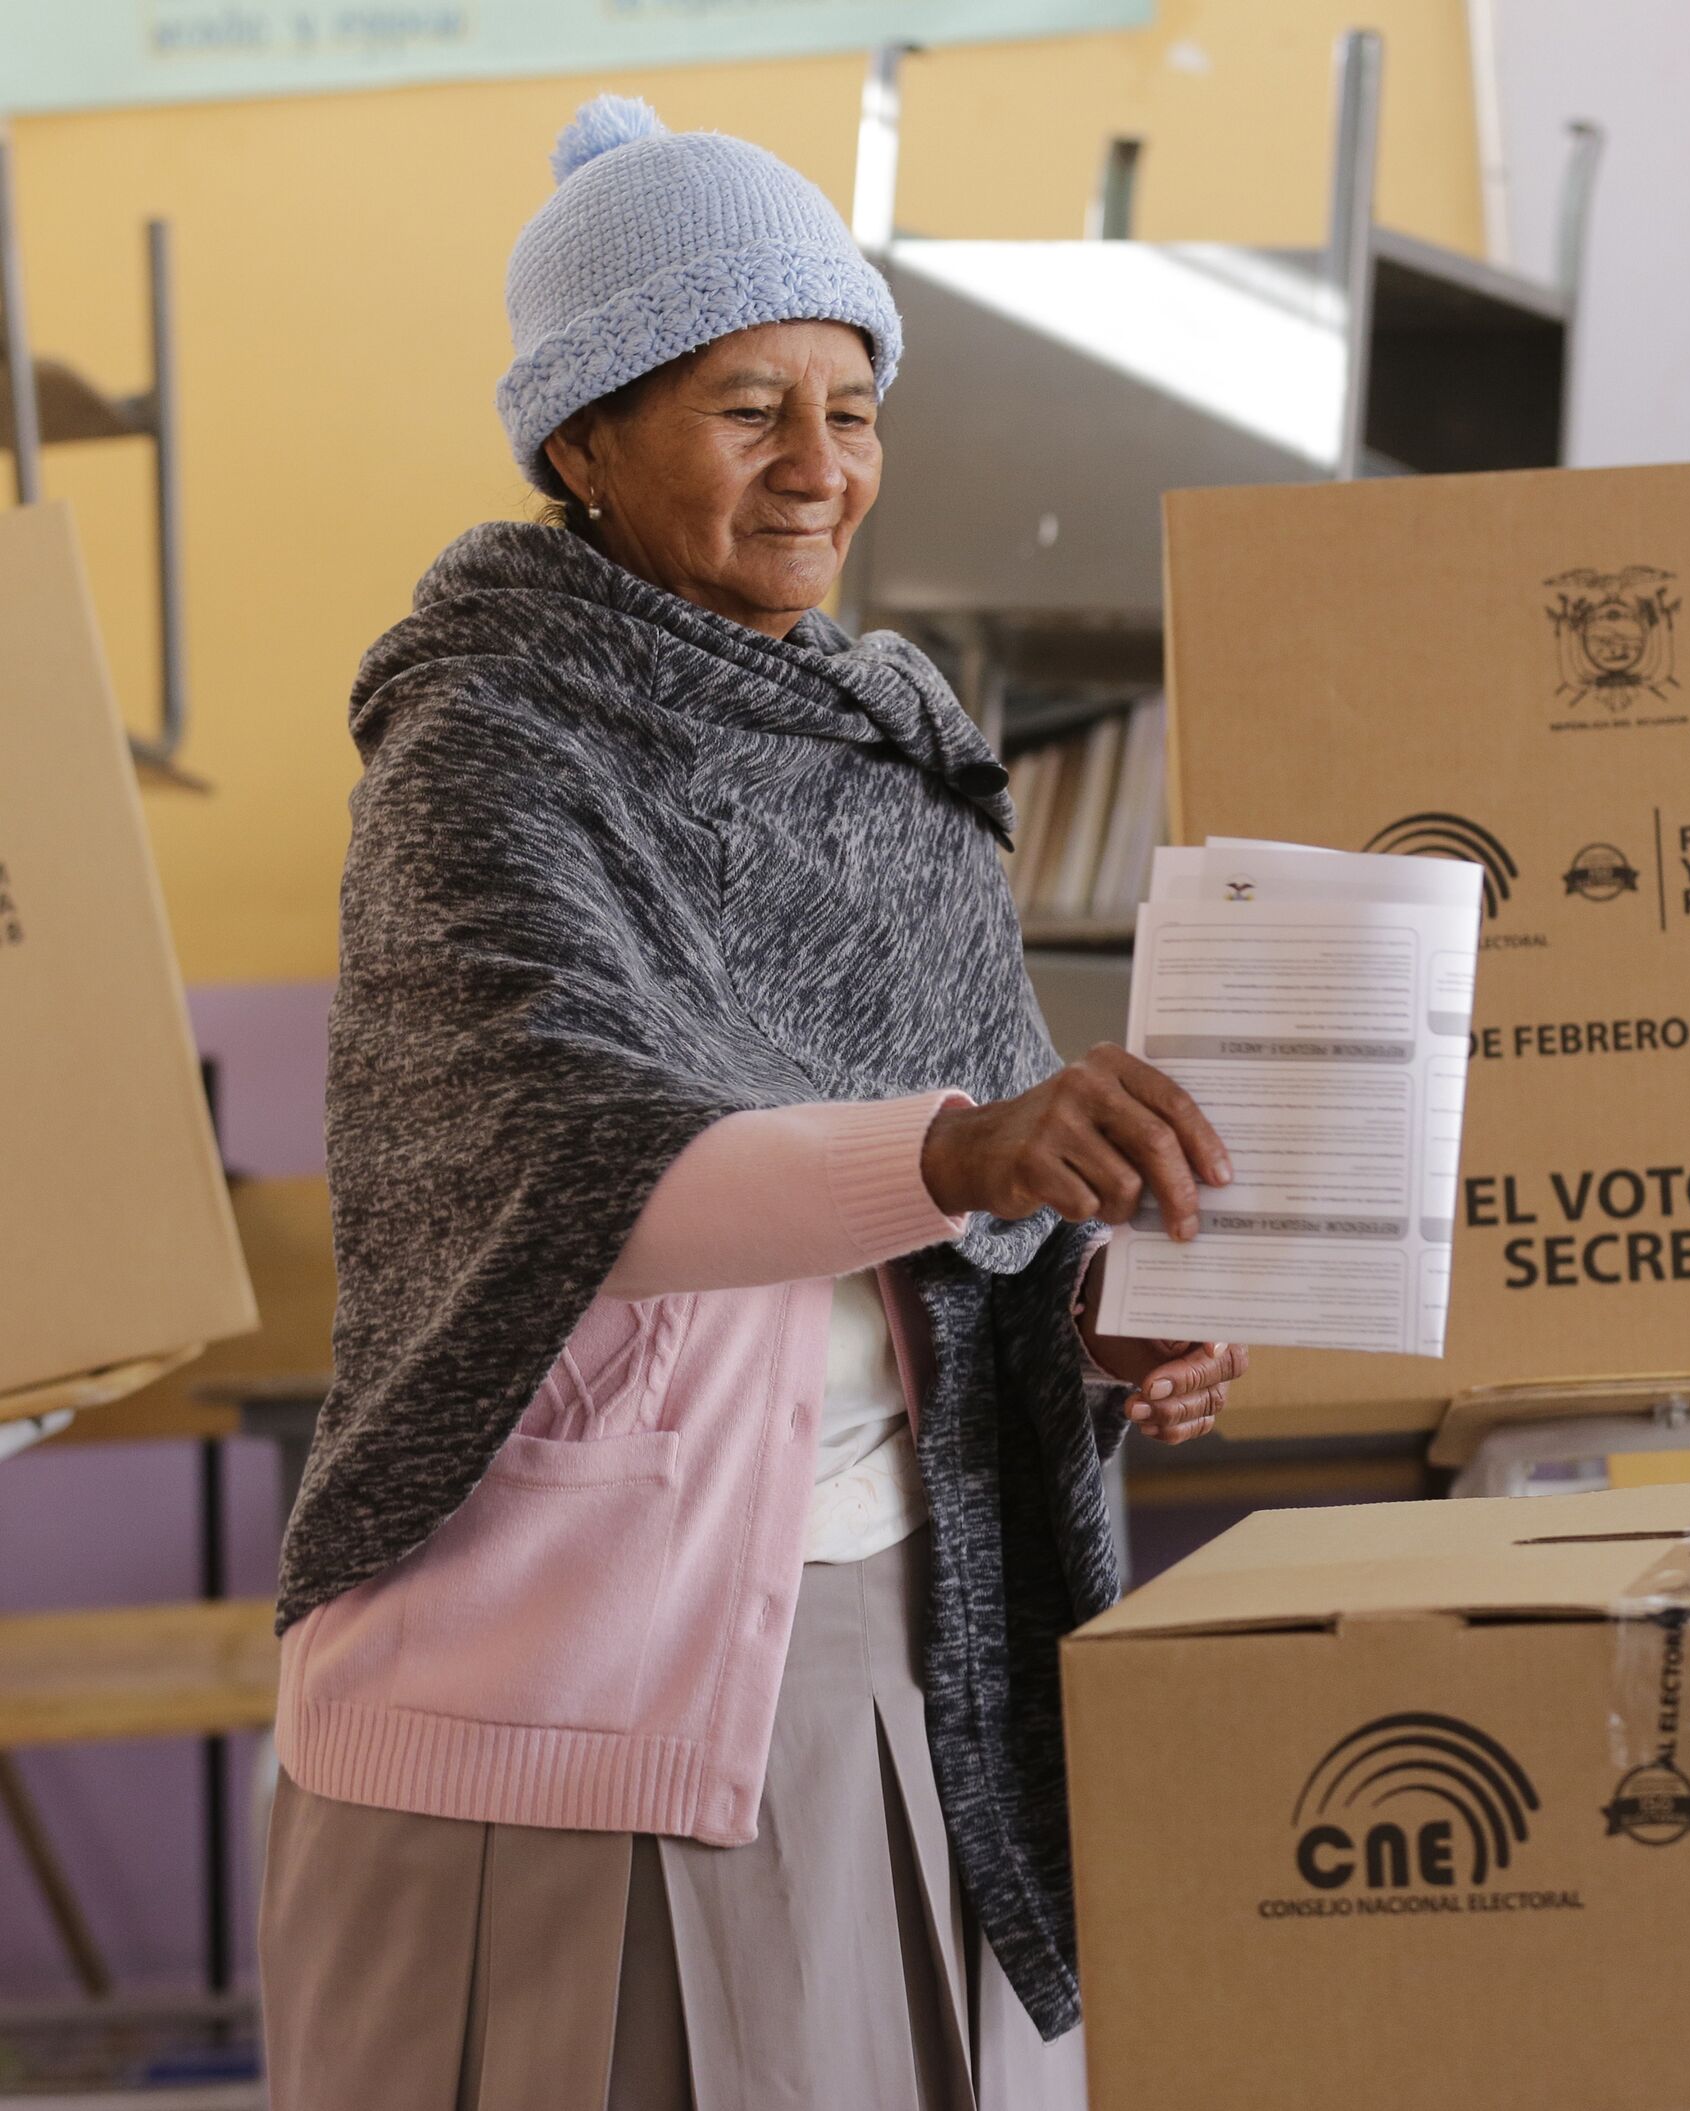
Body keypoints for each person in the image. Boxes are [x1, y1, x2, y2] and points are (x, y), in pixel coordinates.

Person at [257, 92, 1249, 2111]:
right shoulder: (482, 749)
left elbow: (948, 1246)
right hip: (576, 1693)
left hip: (924, 1633)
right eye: (746, 411)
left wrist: (1086, 1318)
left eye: (854, 410)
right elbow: (569, 1171)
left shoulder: (894, 744)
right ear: (580, 443)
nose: (822, 468)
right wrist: (961, 1152)